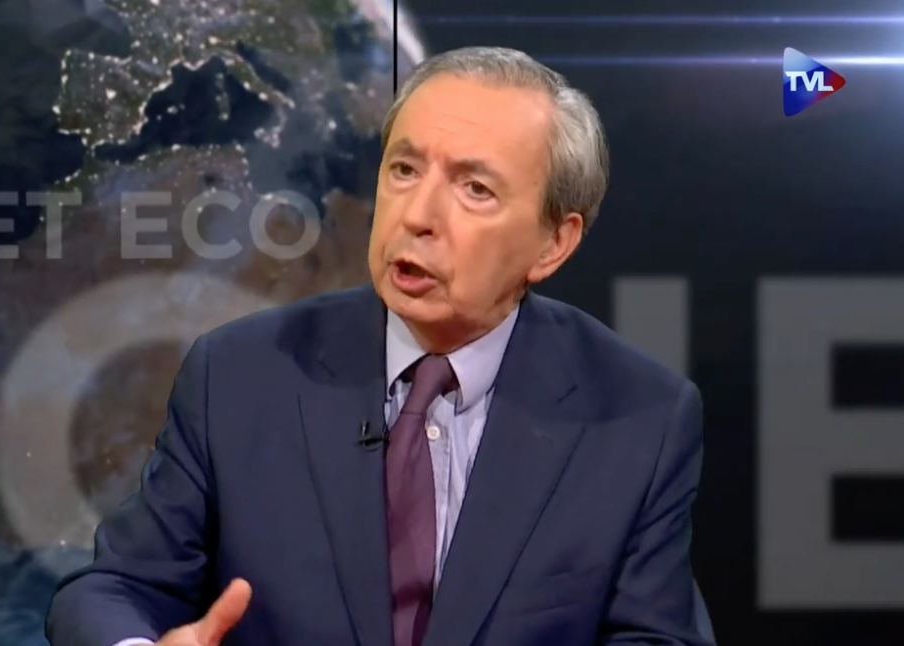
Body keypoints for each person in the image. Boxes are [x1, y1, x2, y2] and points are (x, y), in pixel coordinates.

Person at [46, 46, 714, 646]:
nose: (417, 215)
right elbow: (114, 589)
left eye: (475, 189)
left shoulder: (639, 417)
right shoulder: (239, 375)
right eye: (404, 169)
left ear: (553, 243)